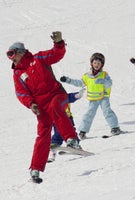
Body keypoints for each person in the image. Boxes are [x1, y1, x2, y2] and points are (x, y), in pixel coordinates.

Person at [6, 31, 81, 184]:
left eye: (12, 54)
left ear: (21, 52)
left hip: (56, 95)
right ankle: (35, 169)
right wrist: (31, 104)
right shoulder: (18, 73)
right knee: (43, 132)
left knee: (55, 107)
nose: (11, 58)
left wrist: (59, 43)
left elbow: (56, 54)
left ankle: (72, 139)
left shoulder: (38, 58)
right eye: (9, 56)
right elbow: (21, 93)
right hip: (40, 105)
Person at [60, 52, 123, 139]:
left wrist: (104, 81)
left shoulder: (104, 74)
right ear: (91, 64)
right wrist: (68, 80)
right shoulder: (87, 76)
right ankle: (83, 131)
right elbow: (79, 83)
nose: (96, 65)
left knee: (107, 111)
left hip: (103, 97)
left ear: (102, 65)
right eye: (95, 63)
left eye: (99, 63)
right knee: (89, 114)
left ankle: (115, 128)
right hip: (93, 99)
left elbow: (109, 84)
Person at [48, 89, 85, 162]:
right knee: (63, 134)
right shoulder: (52, 99)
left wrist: (77, 95)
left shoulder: (62, 96)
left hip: (64, 118)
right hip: (59, 120)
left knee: (63, 134)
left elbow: (71, 97)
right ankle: (54, 150)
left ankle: (72, 145)